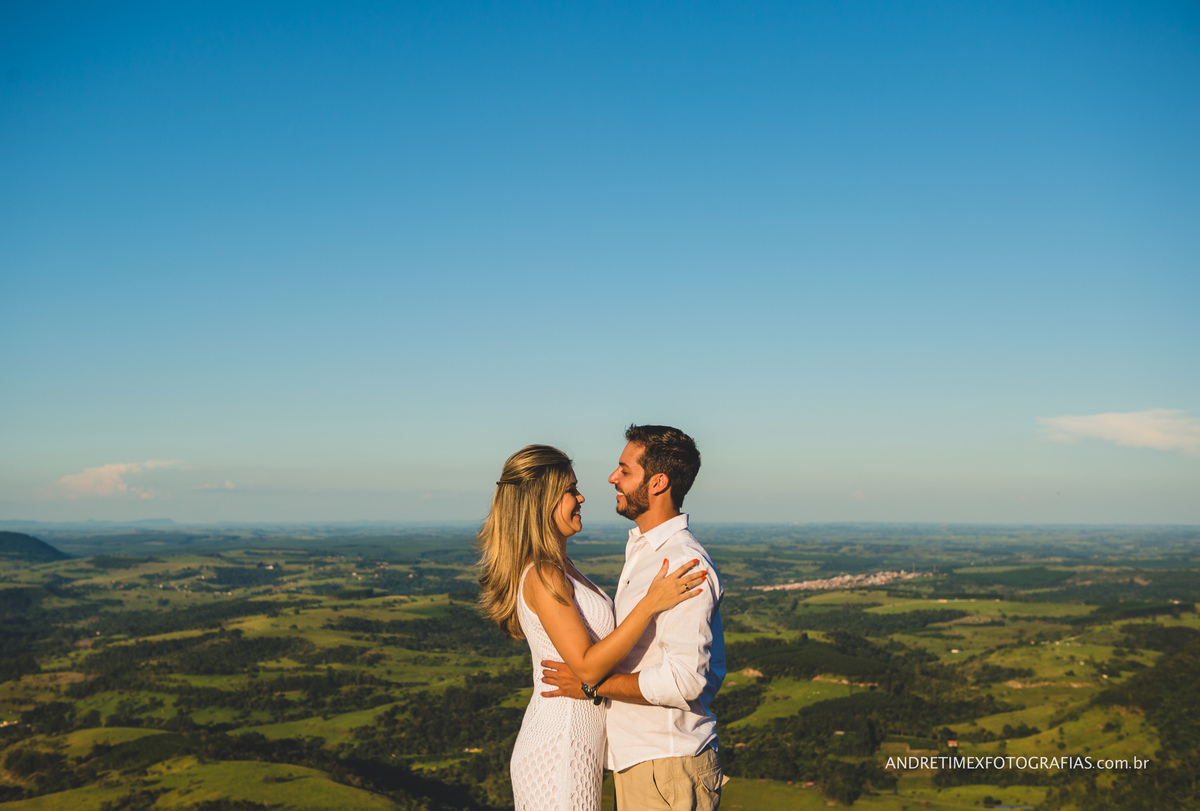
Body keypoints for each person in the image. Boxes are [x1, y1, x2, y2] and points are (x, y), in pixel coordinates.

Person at [477, 444, 707, 811]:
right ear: (542, 502)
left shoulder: (560, 565)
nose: (581, 496)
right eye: (570, 490)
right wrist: (649, 604)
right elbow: (585, 666)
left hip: (579, 740)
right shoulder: (543, 573)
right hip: (560, 743)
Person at [541, 425, 726, 811]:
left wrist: (595, 685)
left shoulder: (679, 563)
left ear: (658, 482)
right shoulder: (644, 552)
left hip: (666, 765)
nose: (612, 477)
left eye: (624, 470)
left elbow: (686, 680)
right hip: (649, 765)